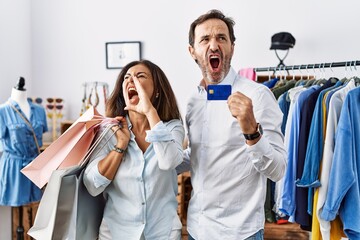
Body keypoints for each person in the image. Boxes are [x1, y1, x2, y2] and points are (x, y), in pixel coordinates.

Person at [182, 9, 287, 240]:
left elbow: (278, 170)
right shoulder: (193, 101)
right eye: (205, 39)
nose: (214, 44)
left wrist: (252, 133)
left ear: (232, 47)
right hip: (197, 230)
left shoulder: (258, 96)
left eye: (221, 38)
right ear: (193, 51)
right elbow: (199, 154)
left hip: (241, 233)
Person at [83, 60, 184, 240]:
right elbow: (92, 185)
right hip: (115, 233)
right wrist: (120, 146)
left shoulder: (172, 128)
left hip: (163, 232)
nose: (131, 81)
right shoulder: (109, 131)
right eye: (127, 78)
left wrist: (149, 111)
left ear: (158, 90)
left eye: (140, 76)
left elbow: (169, 161)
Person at [0, 77, 47, 207]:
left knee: (37, 205)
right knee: (18, 208)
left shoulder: (39, 110)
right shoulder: (2, 111)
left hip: (35, 166)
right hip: (15, 169)